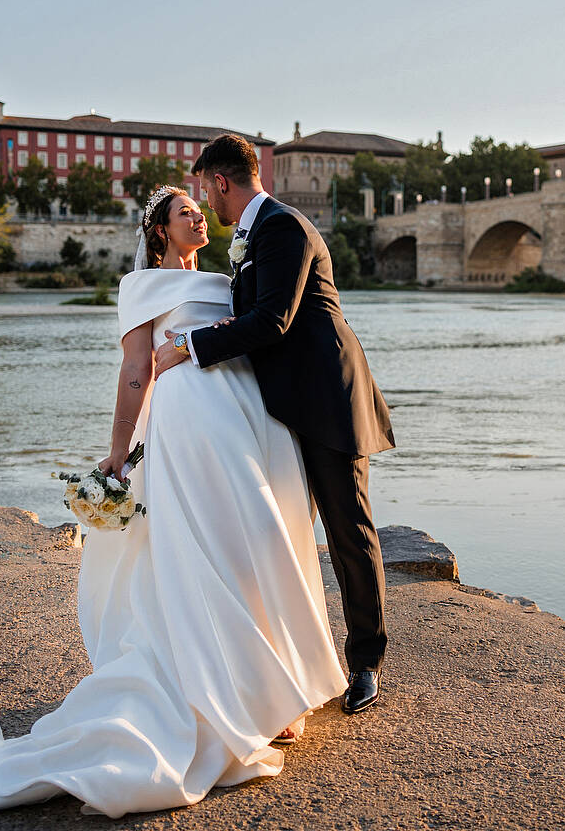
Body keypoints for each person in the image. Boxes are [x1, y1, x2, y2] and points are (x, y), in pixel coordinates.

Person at [0, 188, 348, 819]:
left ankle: (265, 692)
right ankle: (226, 696)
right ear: (161, 232)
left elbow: (257, 337)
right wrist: (118, 451)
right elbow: (137, 371)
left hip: (247, 423)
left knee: (253, 543)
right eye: (185, 214)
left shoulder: (229, 282)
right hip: (189, 429)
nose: (198, 217)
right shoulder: (142, 287)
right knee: (202, 549)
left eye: (200, 210)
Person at [155, 133, 394, 715]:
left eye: (204, 189)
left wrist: (188, 345)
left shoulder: (284, 227)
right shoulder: (253, 235)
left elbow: (273, 321)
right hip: (282, 407)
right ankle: (283, 661)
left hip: (327, 399)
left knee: (348, 528)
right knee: (278, 532)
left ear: (219, 181)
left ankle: (365, 663)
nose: (205, 202)